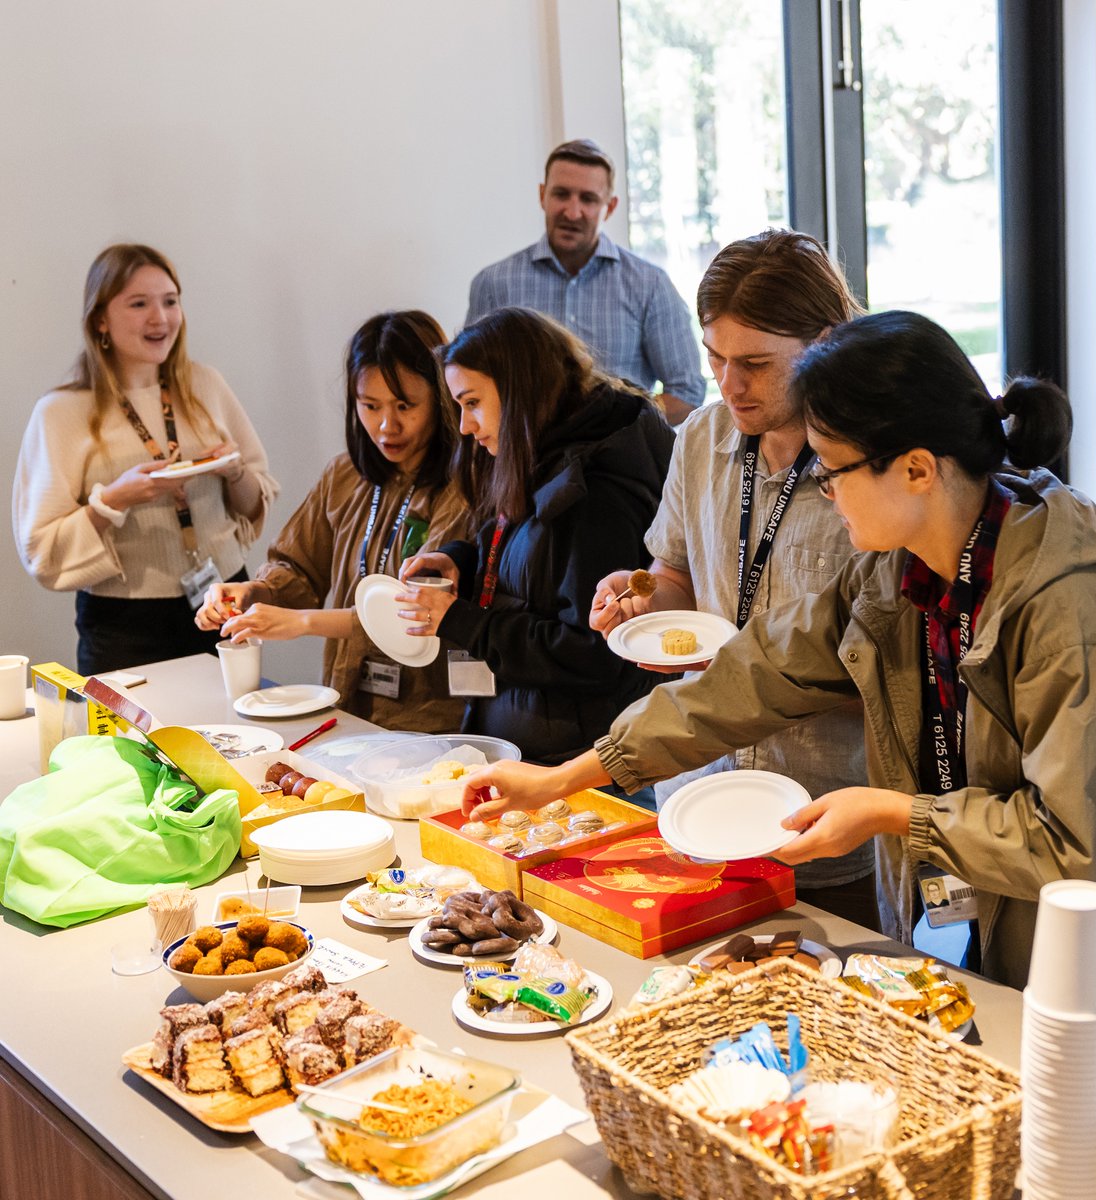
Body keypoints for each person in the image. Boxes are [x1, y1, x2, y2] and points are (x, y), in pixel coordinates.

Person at [459, 310, 1096, 1053]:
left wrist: (892, 813)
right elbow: (751, 677)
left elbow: (1068, 840)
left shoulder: (1078, 616)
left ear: (916, 468)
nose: (824, 490)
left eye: (833, 468)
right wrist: (565, 779)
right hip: (1010, 939)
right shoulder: (897, 570)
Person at [588, 230, 878, 929]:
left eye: (754, 363)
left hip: (824, 811)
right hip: (700, 792)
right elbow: (675, 574)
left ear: (826, 342)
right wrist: (641, 599)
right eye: (714, 358)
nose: (729, 384)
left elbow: (893, 669)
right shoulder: (702, 438)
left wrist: (756, 672)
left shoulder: (871, 468)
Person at [396, 306, 675, 766]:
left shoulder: (595, 495)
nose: (465, 427)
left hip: (577, 759)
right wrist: (461, 563)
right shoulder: (547, 456)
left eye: (471, 403)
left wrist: (464, 622)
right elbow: (528, 562)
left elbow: (591, 653)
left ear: (518, 390)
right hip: (540, 746)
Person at [195, 312, 471, 732]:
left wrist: (302, 623)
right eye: (370, 405)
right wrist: (254, 593)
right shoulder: (344, 475)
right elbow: (298, 569)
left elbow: (412, 610)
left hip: (431, 715)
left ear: (440, 397)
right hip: (346, 702)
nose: (386, 426)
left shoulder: (462, 485)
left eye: (405, 406)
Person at [13, 243, 277, 675]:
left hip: (224, 599)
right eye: (139, 304)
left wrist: (234, 471)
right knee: (130, 742)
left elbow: (254, 505)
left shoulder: (206, 385)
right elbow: (40, 548)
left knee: (238, 736)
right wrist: (114, 499)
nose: (161, 318)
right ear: (101, 319)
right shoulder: (61, 412)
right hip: (126, 625)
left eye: (170, 301)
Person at [465, 138, 705, 426]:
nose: (572, 212)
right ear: (543, 196)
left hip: (620, 463)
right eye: (561, 194)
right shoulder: (493, 285)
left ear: (610, 206)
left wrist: (617, 420)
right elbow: (468, 384)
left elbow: (687, 390)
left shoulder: (650, 285)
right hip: (520, 463)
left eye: (588, 199)